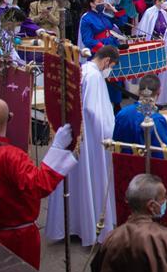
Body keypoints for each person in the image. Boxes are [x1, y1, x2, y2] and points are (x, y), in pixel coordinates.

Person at [0, 98, 77, 269]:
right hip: (14, 239)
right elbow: (39, 185)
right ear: (9, 118)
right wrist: (57, 149)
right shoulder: (11, 156)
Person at [47, 45, 118, 245]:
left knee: (77, 180)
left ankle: (75, 223)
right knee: (91, 178)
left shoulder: (84, 69)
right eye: (110, 66)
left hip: (77, 133)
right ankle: (88, 225)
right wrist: (109, 132)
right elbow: (93, 110)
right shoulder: (95, 76)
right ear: (106, 62)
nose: (109, 70)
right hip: (91, 139)